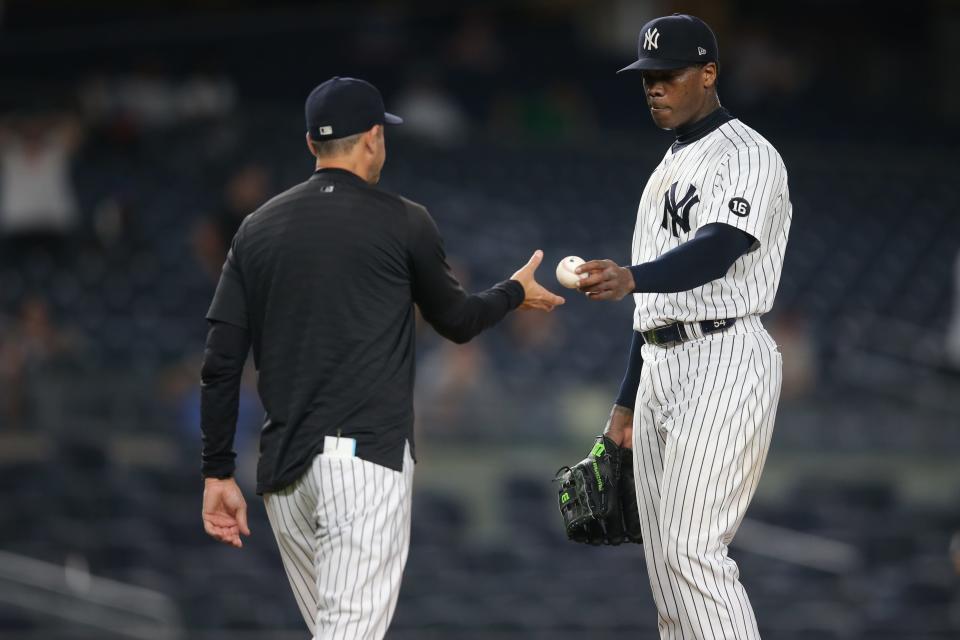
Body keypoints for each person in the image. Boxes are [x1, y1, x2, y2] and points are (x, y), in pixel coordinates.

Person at [198, 76, 564, 639]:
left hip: (282, 474)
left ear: (310, 145)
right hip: (363, 462)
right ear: (372, 138)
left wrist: (218, 470)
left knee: (335, 629)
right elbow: (458, 321)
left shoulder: (256, 229)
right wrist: (514, 292)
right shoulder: (404, 219)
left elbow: (221, 360)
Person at [574, 15, 792, 640]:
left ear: (709, 73)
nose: (655, 87)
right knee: (667, 568)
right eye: (647, 78)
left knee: (694, 553)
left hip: (724, 354)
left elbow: (718, 249)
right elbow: (653, 314)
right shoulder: (668, 165)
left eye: (668, 75)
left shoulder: (748, 153)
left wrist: (632, 276)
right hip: (662, 364)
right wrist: (624, 404)